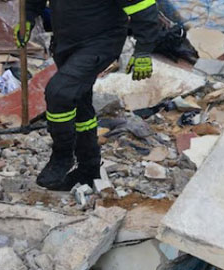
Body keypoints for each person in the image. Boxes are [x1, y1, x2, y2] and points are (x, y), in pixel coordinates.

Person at [15, 0, 161, 190]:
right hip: (66, 42)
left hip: (102, 42)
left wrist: (143, 50)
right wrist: (27, 17)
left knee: (59, 93)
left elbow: (145, 8)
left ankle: (61, 157)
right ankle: (89, 167)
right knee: (79, 101)